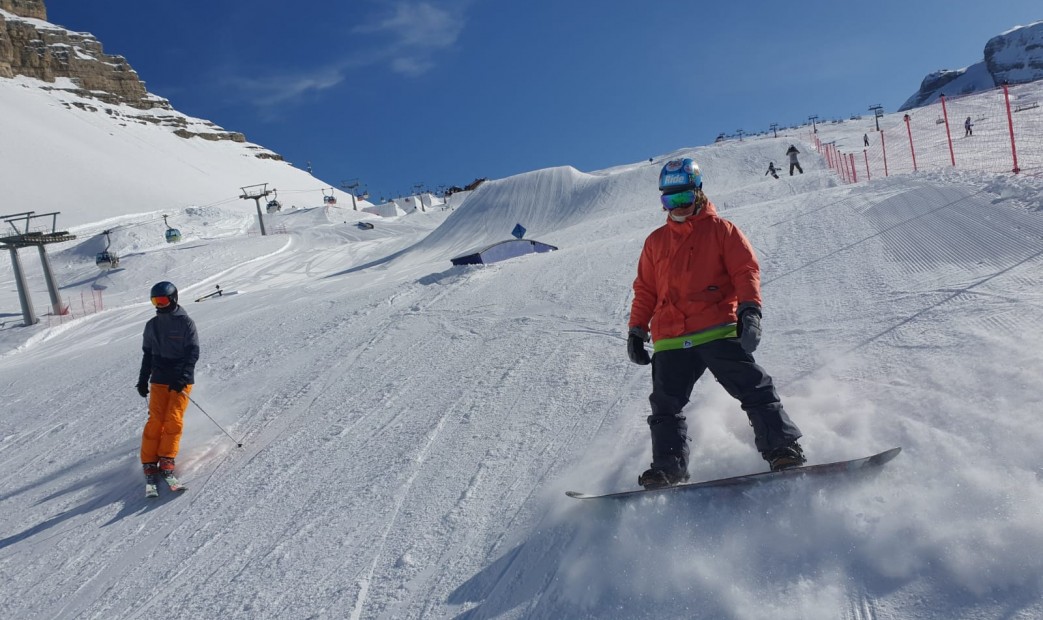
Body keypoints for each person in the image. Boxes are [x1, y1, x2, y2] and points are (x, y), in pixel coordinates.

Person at [626, 158, 805, 489]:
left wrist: (750, 311)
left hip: (716, 328)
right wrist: (637, 329)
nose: (677, 208)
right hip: (670, 338)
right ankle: (668, 468)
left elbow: (745, 271)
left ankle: (783, 449)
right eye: (669, 201)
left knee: (753, 387)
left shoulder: (723, 231)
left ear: (698, 193)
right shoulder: (655, 242)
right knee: (665, 405)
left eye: (683, 199)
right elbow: (646, 289)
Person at [135, 281, 199, 489]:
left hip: (180, 378)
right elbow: (147, 355)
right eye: (155, 301)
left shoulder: (186, 323)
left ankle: (167, 458)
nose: (159, 305)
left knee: (173, 419)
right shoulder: (151, 325)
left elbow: (193, 353)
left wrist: (184, 376)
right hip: (159, 378)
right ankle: (149, 461)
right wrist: (143, 379)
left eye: (162, 300)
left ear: (173, 299)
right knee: (155, 419)